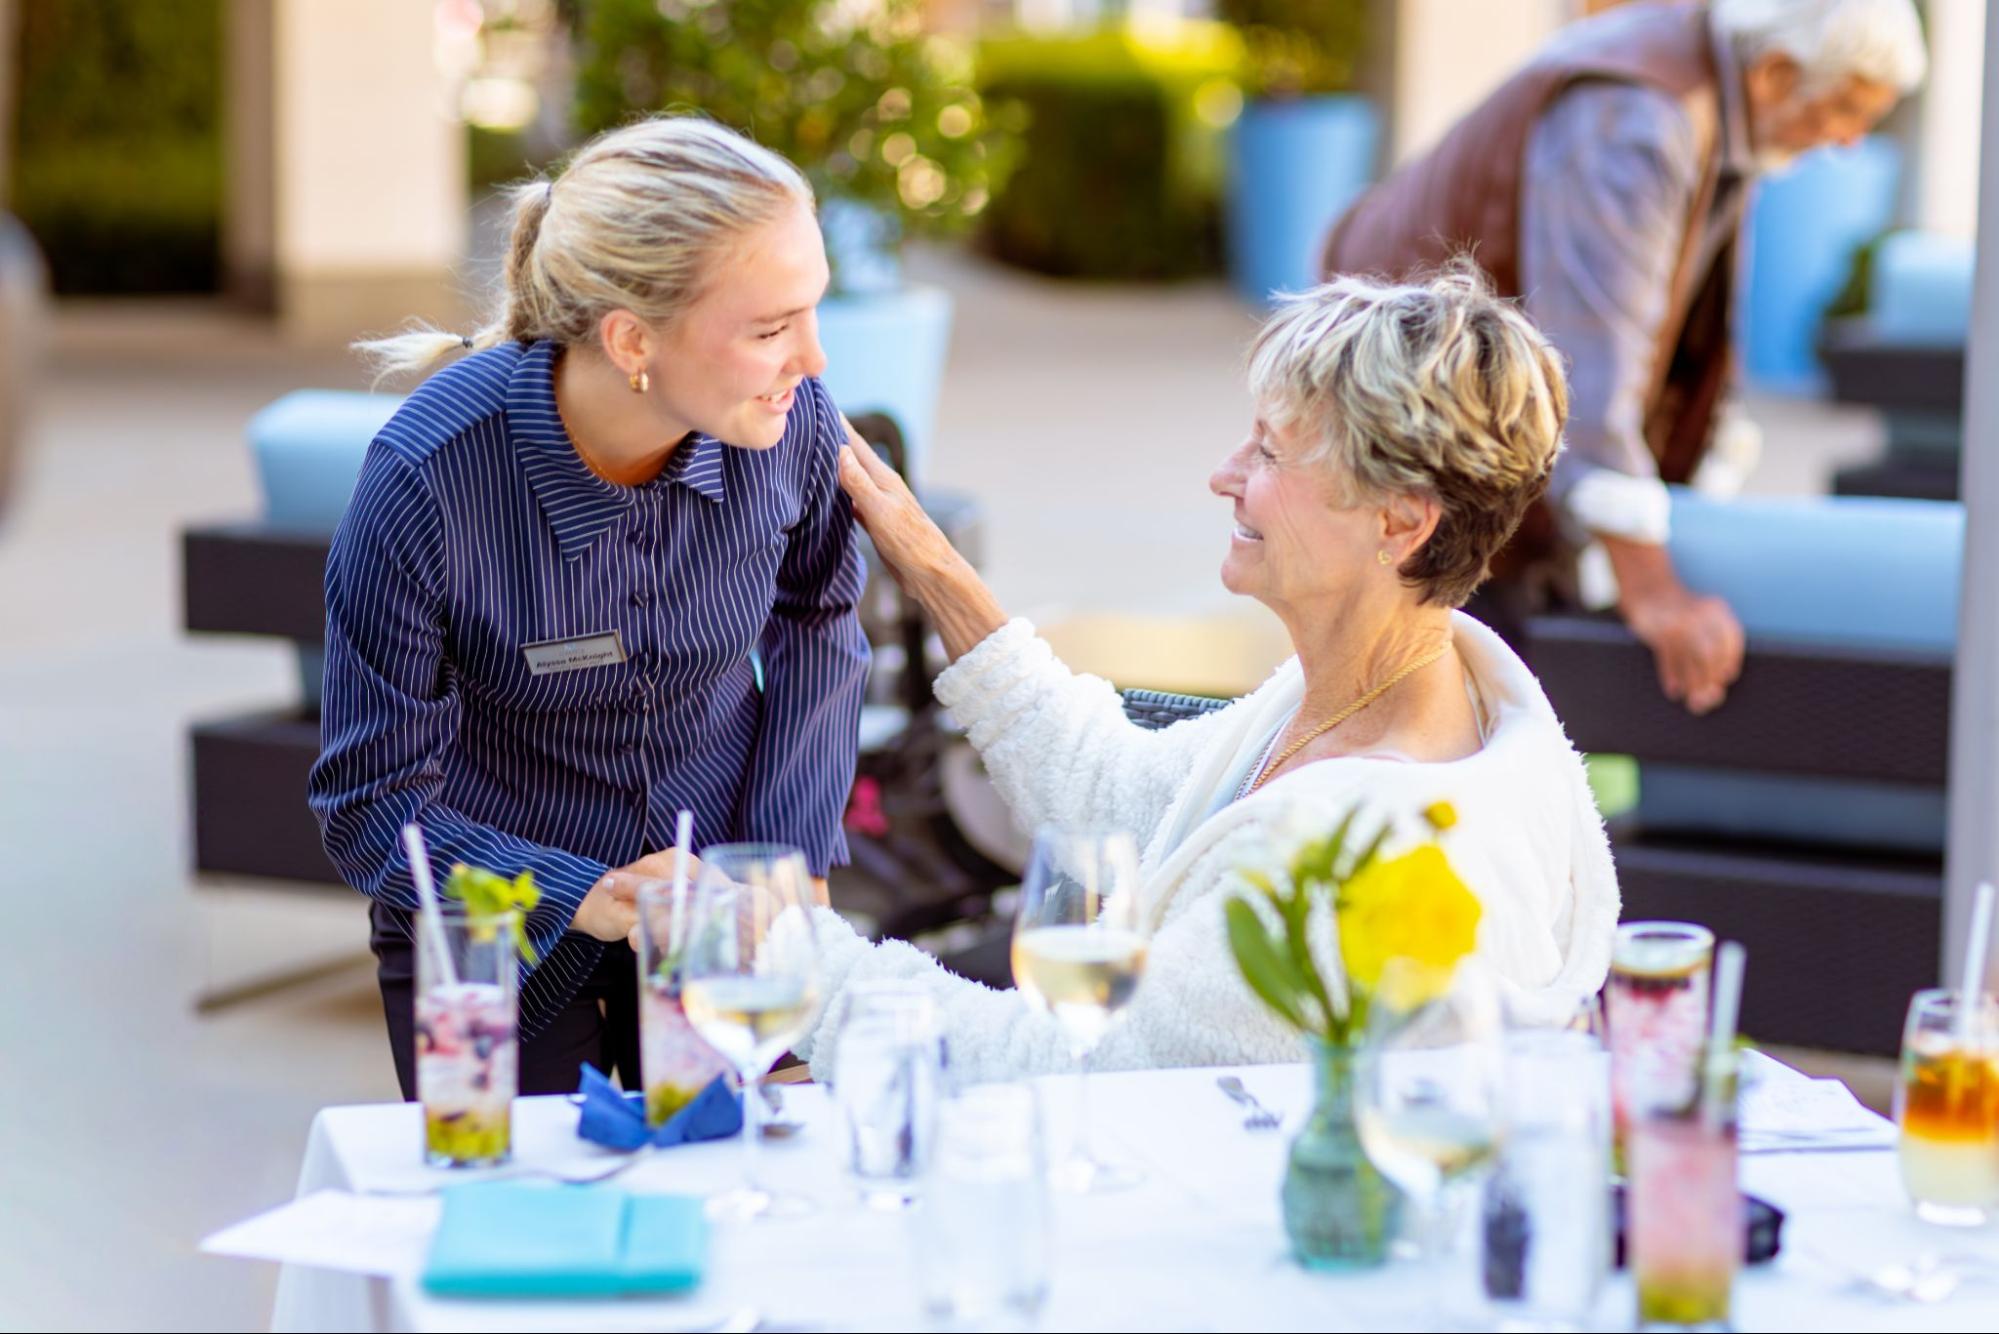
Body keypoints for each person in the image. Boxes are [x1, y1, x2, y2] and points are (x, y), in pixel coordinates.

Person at [787, 269, 1619, 1082]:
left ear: (1399, 520)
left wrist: (783, 951)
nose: (1223, 475)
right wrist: (930, 562)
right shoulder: (1385, 692)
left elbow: (1057, 1065)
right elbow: (1117, 794)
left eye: (1269, 451)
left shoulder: (1345, 864)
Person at [308, 116, 870, 1098]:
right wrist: (591, 895)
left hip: (720, 920)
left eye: (814, 312)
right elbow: (368, 805)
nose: (814, 361)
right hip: (488, 943)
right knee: (522, 1234)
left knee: (737, 1216)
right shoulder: (428, 477)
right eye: (773, 328)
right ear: (630, 339)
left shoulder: (788, 424)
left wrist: (789, 853)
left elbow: (820, 615)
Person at [1318, 0, 1926, 714]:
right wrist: (1654, 593)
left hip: (1449, 401)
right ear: (1774, 73)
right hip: (1401, 408)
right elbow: (1584, 369)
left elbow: (1681, 322)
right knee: (1437, 693)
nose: (1851, 140)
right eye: (1847, 109)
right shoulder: (1637, 115)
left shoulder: (1711, 84)